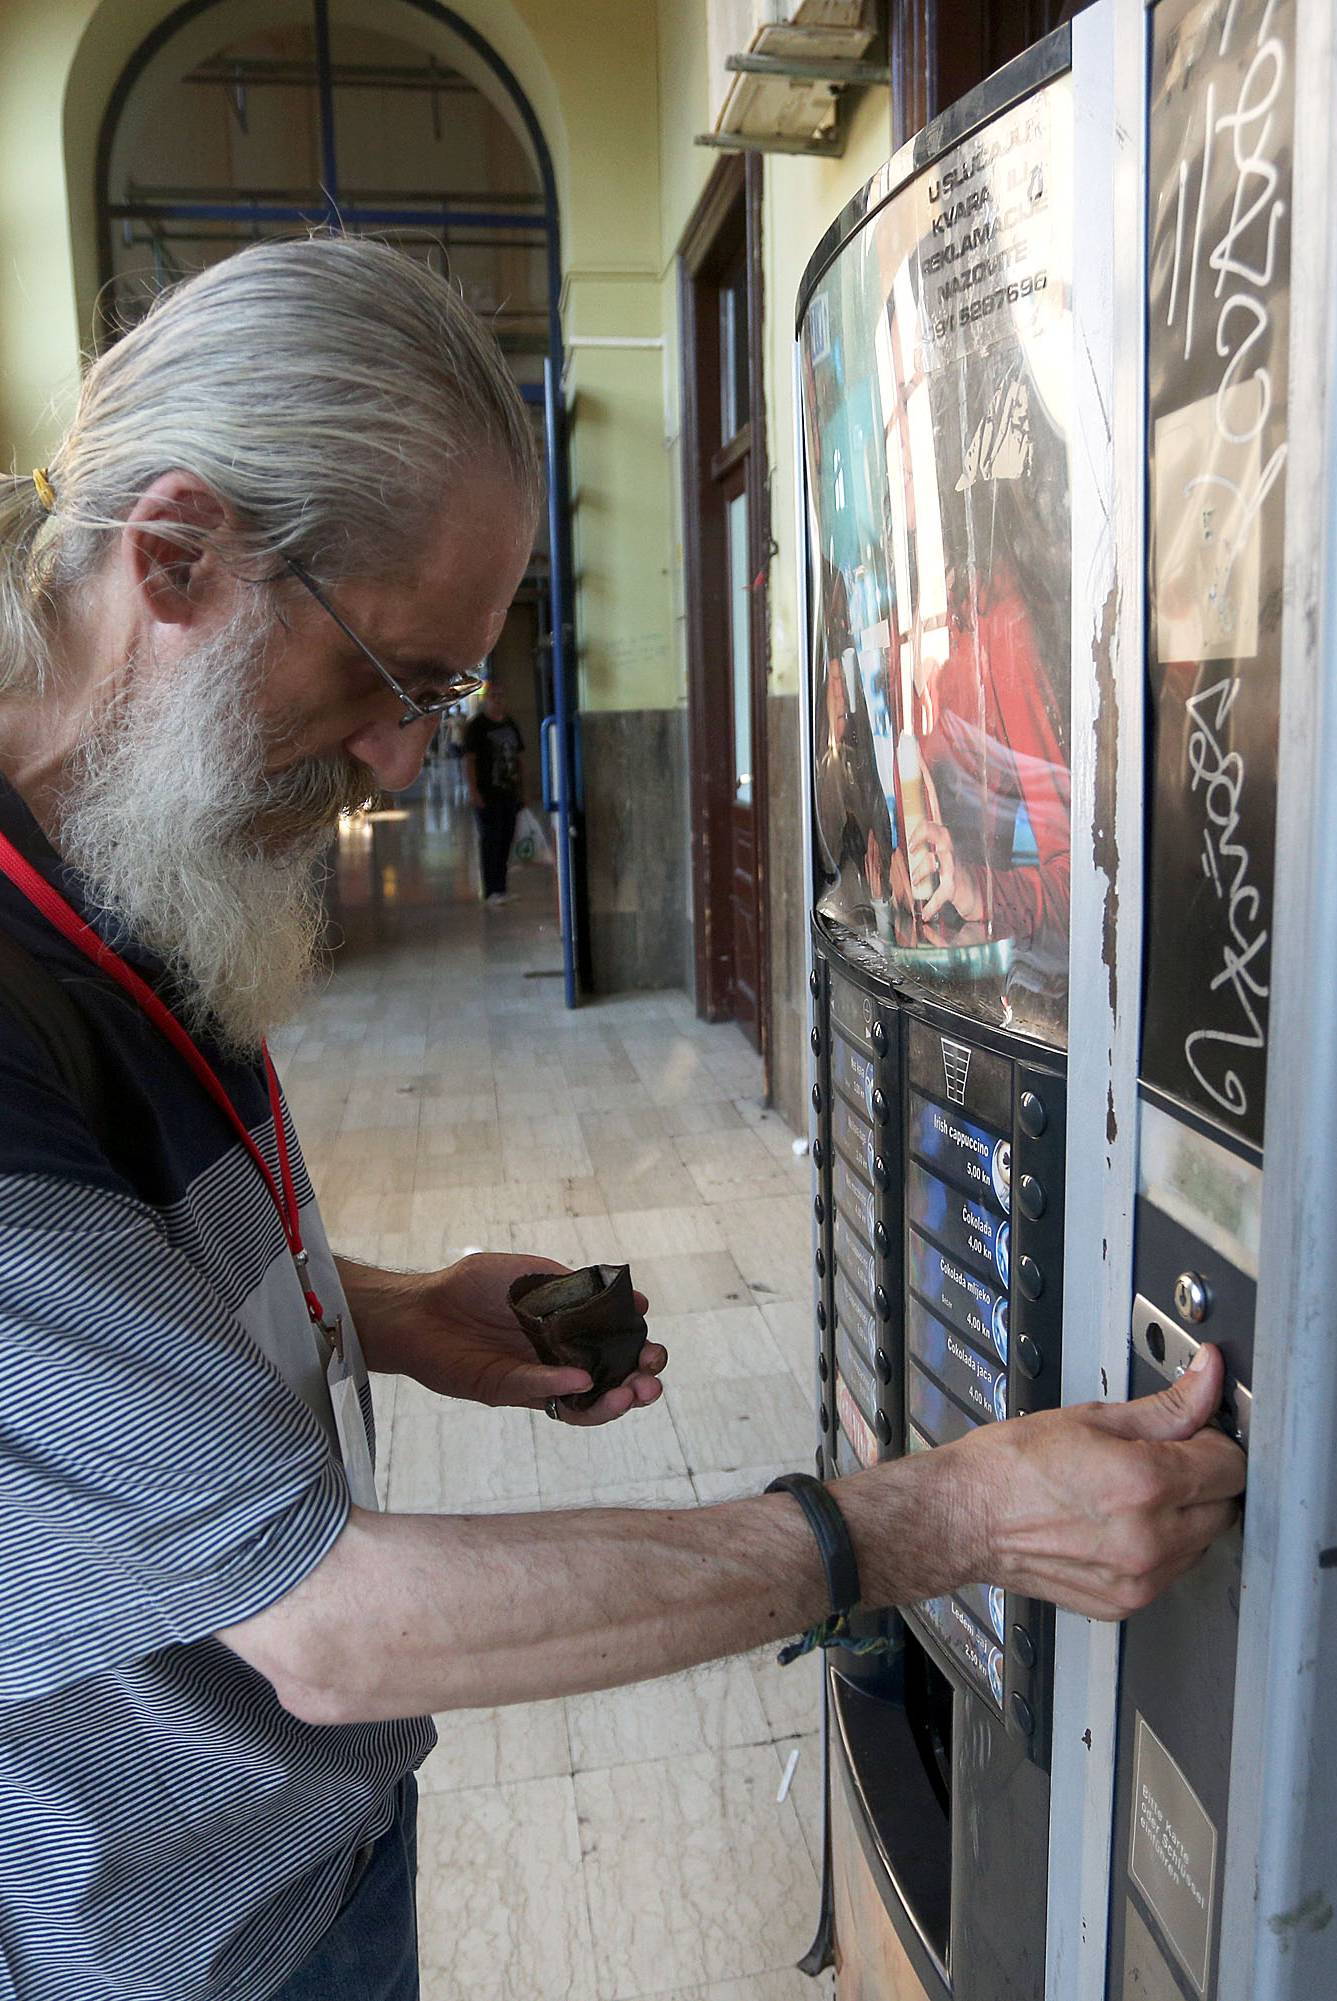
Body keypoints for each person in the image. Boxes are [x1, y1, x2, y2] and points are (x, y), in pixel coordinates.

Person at [0, 237, 1245, 2001]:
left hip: (290, 1857)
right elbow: (331, 1624)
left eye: (448, 697)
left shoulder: (123, 839)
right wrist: (932, 1522)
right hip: (141, 1935)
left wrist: (394, 1312)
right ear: (179, 554)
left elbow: (100, 1310)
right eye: (399, 675)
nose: (405, 764)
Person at [461, 679, 524, 903]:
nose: (498, 701)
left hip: (509, 792)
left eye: (501, 696)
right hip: (487, 794)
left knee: (506, 840)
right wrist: (474, 791)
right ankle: (491, 889)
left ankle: (502, 887)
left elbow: (518, 757)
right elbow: (469, 761)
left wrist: (522, 789)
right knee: (491, 841)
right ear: (487, 699)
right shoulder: (477, 727)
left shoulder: (510, 724)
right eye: (494, 696)